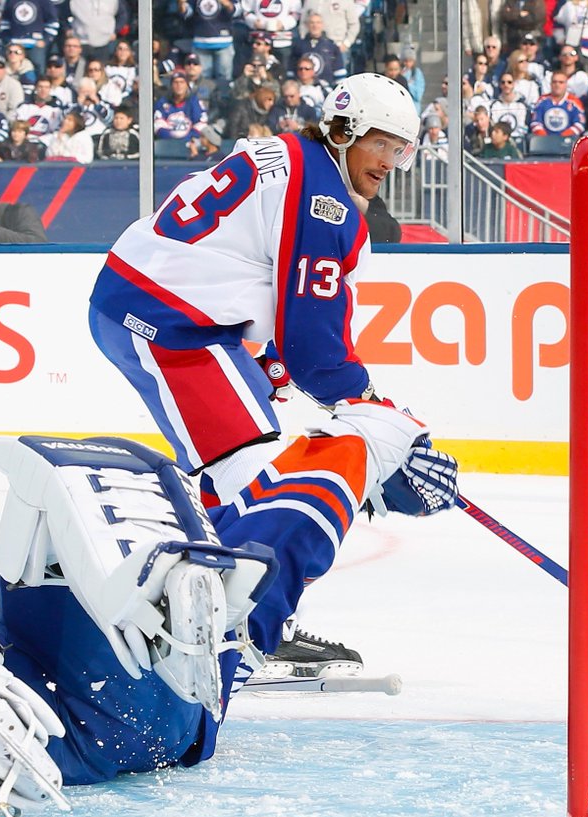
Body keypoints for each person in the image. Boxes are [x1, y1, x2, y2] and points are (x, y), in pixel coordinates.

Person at [88, 72, 448, 687]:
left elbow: (269, 304)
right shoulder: (326, 199)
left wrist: (285, 372)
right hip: (171, 326)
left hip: (159, 309)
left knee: (244, 464)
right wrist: (377, 417)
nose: (391, 161)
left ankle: (204, 611)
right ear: (344, 130)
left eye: (402, 149)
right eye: (382, 143)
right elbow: (314, 348)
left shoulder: (290, 156)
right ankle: (239, 633)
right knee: (266, 472)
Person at [530, 70, 586, 135]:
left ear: (566, 85)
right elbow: (535, 122)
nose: (557, 85)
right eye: (554, 82)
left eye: (561, 82)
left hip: (568, 141)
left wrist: (562, 137)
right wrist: (544, 137)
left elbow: (579, 125)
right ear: (550, 84)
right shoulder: (542, 100)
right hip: (544, 141)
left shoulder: (574, 102)